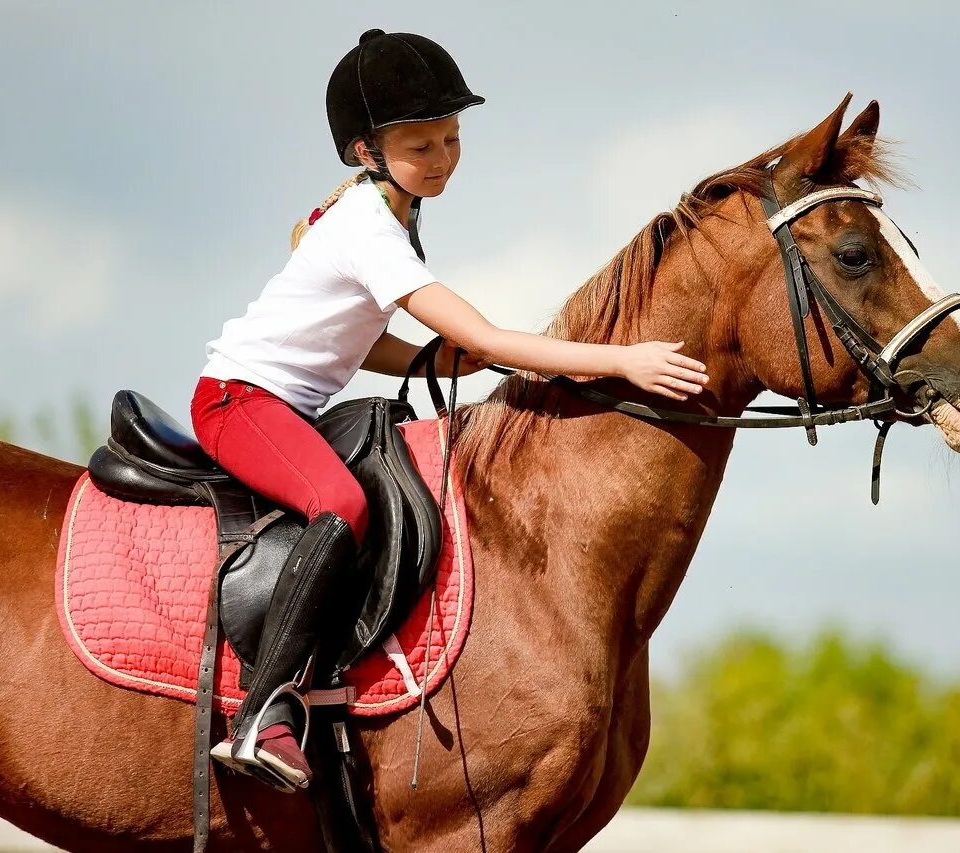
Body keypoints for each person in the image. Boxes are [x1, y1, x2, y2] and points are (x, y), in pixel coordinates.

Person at [188, 28, 710, 790]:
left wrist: (431, 360)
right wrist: (624, 360)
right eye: (421, 146)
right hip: (238, 401)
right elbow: (488, 337)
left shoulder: (389, 211)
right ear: (367, 151)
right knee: (339, 501)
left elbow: (351, 342)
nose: (442, 159)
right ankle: (263, 708)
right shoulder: (371, 226)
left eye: (452, 138)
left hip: (289, 402)